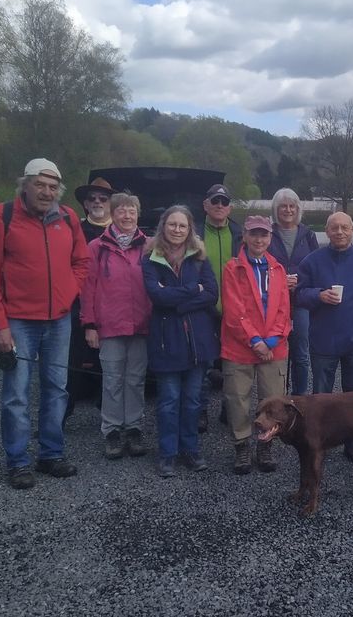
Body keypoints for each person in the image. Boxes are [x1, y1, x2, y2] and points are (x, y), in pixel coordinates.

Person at [0, 158, 90, 489]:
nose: (46, 191)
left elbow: (81, 260)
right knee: (16, 393)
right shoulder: (1, 217)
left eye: (52, 186)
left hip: (59, 321)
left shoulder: (68, 218)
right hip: (17, 321)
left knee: (57, 389)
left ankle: (51, 454)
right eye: (39, 184)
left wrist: (69, 292)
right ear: (25, 184)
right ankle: (18, 461)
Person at [296, 211, 353, 464]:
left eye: (344, 228)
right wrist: (318, 296)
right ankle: (317, 440)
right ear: (327, 231)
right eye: (334, 228)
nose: (339, 232)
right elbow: (298, 294)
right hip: (322, 340)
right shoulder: (313, 261)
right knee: (321, 396)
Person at [143, 205, 219, 477]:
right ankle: (167, 453)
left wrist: (178, 303)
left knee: (192, 401)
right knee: (168, 400)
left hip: (197, 342)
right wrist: (190, 291)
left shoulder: (199, 258)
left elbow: (211, 293)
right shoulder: (151, 259)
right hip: (167, 342)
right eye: (172, 224)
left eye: (182, 225)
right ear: (163, 226)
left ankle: (190, 449)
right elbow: (156, 296)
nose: (177, 229)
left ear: (190, 230)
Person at [80, 192, 152, 460]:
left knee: (136, 380)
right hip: (109, 326)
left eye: (132, 210)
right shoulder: (97, 247)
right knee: (112, 381)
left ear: (138, 214)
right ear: (112, 213)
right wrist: (89, 324)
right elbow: (87, 289)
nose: (127, 215)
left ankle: (133, 428)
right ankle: (111, 430)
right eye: (121, 210)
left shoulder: (150, 246)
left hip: (141, 326)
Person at [222, 215, 291, 475]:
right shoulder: (233, 268)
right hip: (240, 346)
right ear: (245, 237)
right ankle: (241, 446)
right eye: (254, 234)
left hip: (274, 347)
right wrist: (254, 340)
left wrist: (271, 340)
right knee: (238, 399)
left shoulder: (278, 269)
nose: (259, 239)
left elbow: (284, 309)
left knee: (272, 400)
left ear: (270, 238)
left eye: (264, 235)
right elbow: (233, 309)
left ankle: (266, 444)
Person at [194, 183, 243, 433]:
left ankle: (228, 408)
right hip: (202, 309)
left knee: (231, 365)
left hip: (233, 310)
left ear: (230, 207)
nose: (220, 206)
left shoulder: (239, 233)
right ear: (205, 205)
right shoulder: (193, 232)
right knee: (203, 364)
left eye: (224, 202)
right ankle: (200, 411)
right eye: (215, 201)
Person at [66, 176, 114, 419]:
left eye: (103, 199)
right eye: (92, 198)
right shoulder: (74, 231)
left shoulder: (121, 232)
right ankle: (62, 415)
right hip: (79, 305)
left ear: (110, 203)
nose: (97, 202)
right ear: (85, 204)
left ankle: (108, 415)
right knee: (73, 362)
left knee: (111, 365)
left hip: (112, 308)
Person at [267, 188, 318, 395]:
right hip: (272, 303)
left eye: (292, 206)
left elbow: (317, 268)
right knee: (275, 351)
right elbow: (260, 266)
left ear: (297, 209)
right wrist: (279, 281)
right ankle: (275, 397)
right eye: (283, 206)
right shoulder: (267, 234)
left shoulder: (309, 236)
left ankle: (299, 398)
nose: (288, 210)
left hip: (301, 302)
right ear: (275, 209)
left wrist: (299, 281)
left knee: (301, 354)